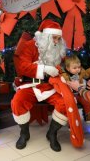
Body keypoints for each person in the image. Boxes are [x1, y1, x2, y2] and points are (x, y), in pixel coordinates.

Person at [11, 19, 68, 152]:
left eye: (59, 39)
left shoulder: (58, 48)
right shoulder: (29, 45)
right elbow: (23, 66)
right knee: (18, 102)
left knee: (65, 103)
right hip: (31, 85)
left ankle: (52, 134)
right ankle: (24, 133)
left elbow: (63, 67)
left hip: (51, 87)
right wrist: (44, 69)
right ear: (45, 36)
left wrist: (62, 73)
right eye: (54, 38)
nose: (56, 41)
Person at [61, 55, 90, 123]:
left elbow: (86, 76)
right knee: (71, 106)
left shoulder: (80, 75)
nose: (77, 69)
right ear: (68, 68)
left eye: (79, 67)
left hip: (80, 94)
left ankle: (88, 115)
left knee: (86, 101)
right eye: (74, 68)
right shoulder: (66, 77)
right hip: (71, 95)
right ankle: (71, 121)